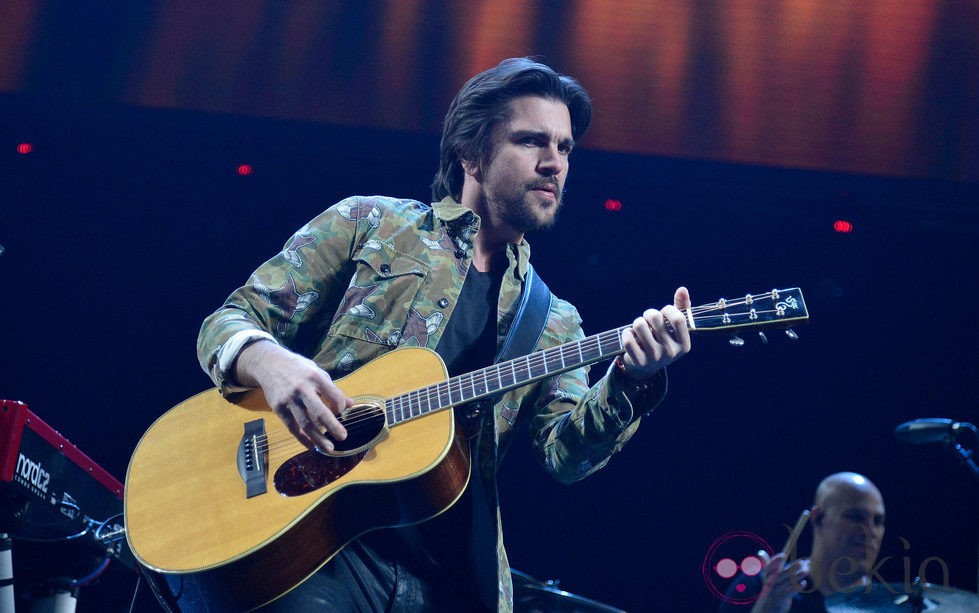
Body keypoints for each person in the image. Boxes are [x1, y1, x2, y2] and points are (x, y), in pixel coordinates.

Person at [196, 57, 692, 612]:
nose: (555, 164)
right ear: (471, 154)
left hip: (451, 582)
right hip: (322, 549)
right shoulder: (371, 224)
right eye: (532, 141)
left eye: (565, 147)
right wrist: (271, 364)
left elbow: (566, 457)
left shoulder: (555, 320)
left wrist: (630, 379)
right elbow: (230, 320)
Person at [719, 472, 886, 612]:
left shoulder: (891, 606)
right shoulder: (754, 588)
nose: (871, 531)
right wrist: (769, 608)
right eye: (856, 517)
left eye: (878, 521)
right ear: (818, 518)